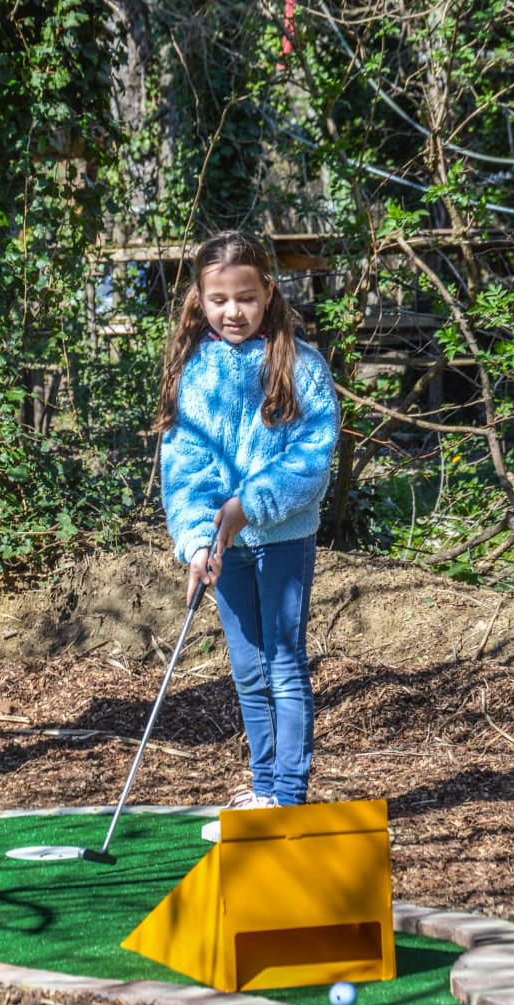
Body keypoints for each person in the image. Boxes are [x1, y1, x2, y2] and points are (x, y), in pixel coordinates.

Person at [157, 231, 340, 840]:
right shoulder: (195, 371)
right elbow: (186, 463)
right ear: (199, 301)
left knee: (284, 663)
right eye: (218, 300)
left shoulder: (301, 367)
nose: (233, 311)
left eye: (245, 298)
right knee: (246, 667)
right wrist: (198, 537)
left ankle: (288, 794)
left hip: (284, 537)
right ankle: (263, 786)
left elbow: (311, 460)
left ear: (268, 293)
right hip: (224, 544)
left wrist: (248, 506)